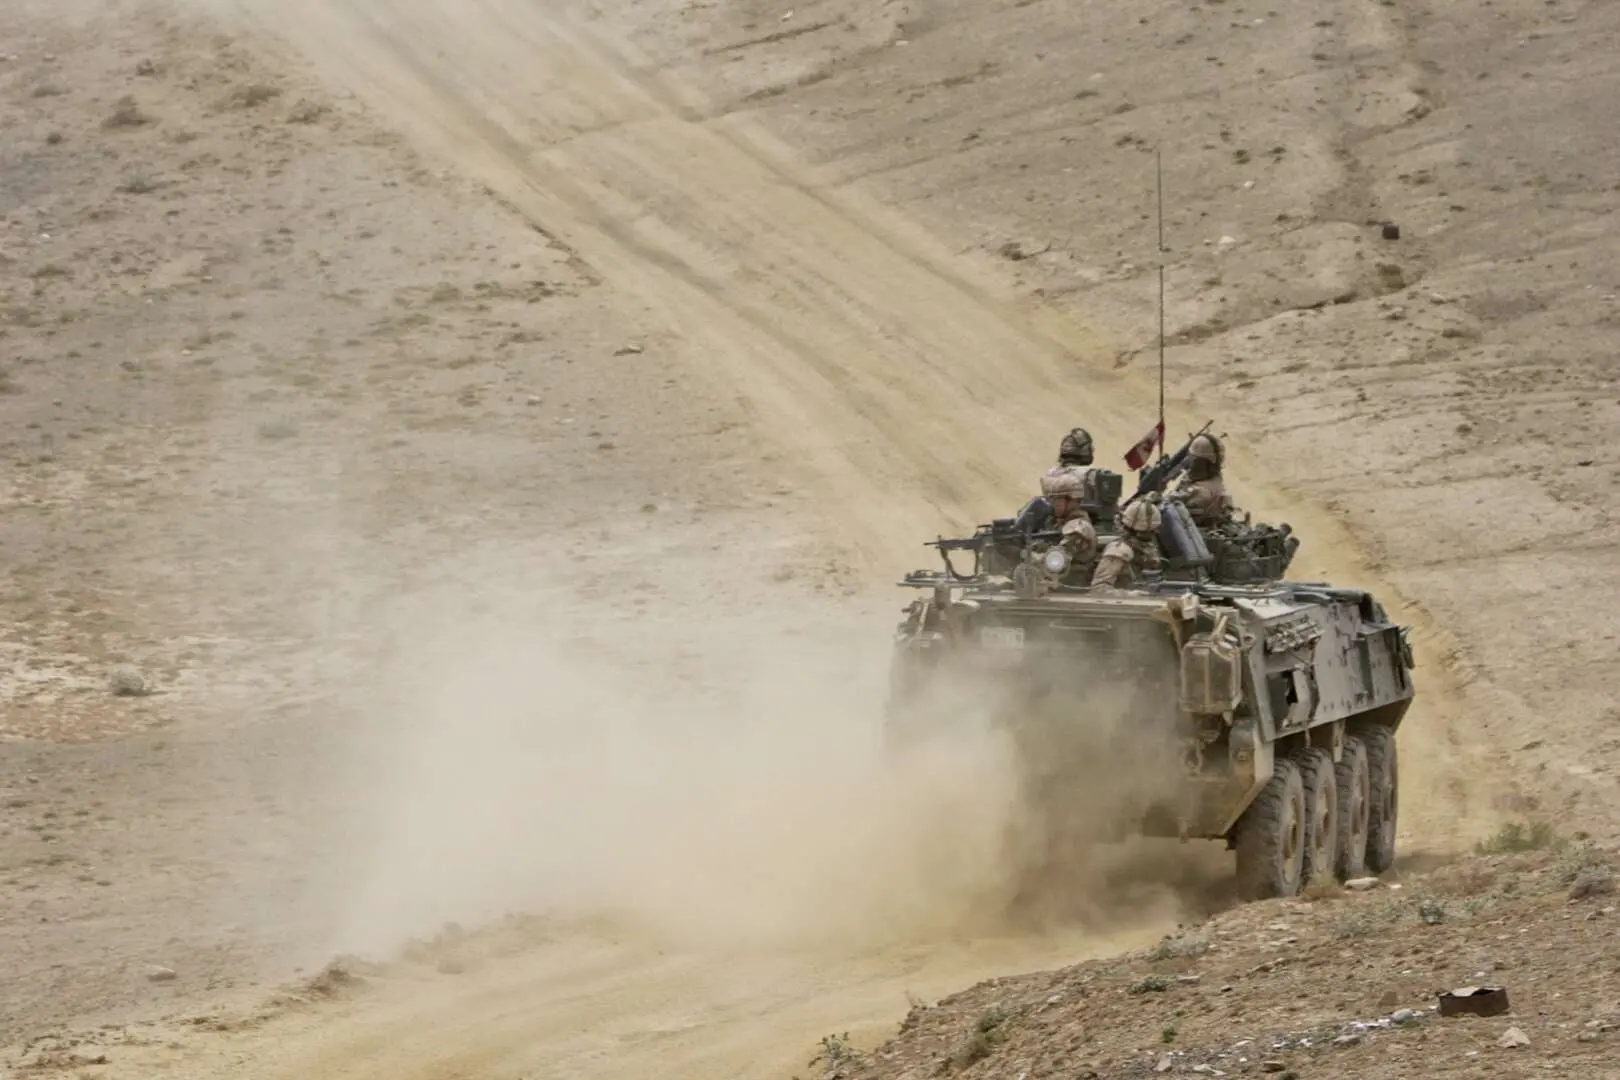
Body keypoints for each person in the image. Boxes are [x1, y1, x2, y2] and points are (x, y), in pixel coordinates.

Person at [1091, 499, 1163, 590]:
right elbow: (1099, 588)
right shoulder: (1119, 551)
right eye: (1151, 531)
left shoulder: (1146, 547)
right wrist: (1132, 596)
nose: (1154, 533)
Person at [1174, 433, 1236, 528]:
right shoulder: (1214, 483)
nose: (1191, 466)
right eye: (1191, 459)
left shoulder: (1201, 491)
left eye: (1197, 461)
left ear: (1209, 464)